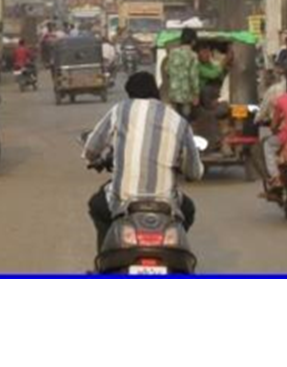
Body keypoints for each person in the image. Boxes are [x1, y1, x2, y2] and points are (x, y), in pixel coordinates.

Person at [84, 72, 204, 250]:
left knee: (97, 206)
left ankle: (104, 258)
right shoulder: (178, 121)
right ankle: (175, 250)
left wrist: (94, 158)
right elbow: (194, 173)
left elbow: (91, 148)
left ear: (130, 94)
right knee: (188, 210)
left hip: (122, 200)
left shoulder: (120, 110)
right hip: (165, 203)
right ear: (155, 92)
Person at [165, 28, 200, 120]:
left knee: (174, 119)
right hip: (186, 95)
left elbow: (167, 70)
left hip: (173, 93)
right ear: (193, 41)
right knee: (185, 120)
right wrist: (196, 94)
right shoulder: (193, 55)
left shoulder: (173, 53)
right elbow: (193, 76)